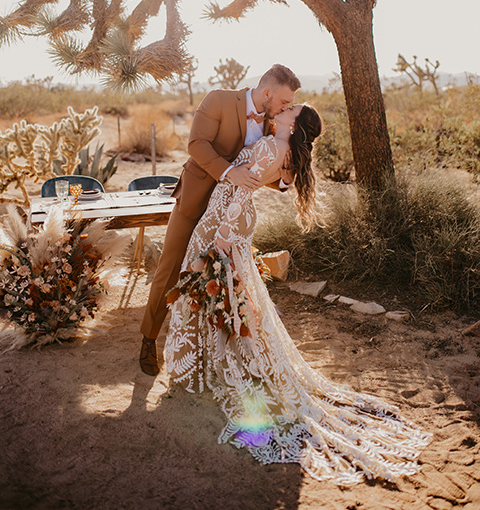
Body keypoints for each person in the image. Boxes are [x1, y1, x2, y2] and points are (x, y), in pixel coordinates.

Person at [164, 103, 431, 484]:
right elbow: (280, 182)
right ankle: (215, 364)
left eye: (291, 107)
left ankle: (218, 371)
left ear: (294, 121)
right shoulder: (284, 151)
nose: (284, 107)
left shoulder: (272, 146)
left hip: (224, 222)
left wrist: (220, 237)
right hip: (232, 221)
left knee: (217, 291)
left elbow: (241, 190)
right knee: (227, 296)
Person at [140, 64, 301, 375]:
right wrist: (229, 172)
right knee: (171, 267)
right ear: (266, 92)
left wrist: (284, 178)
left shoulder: (271, 125)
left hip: (229, 214)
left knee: (223, 281)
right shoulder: (218, 100)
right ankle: (149, 338)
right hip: (196, 200)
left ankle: (204, 353)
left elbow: (259, 169)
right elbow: (197, 145)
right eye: (283, 102)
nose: (286, 108)